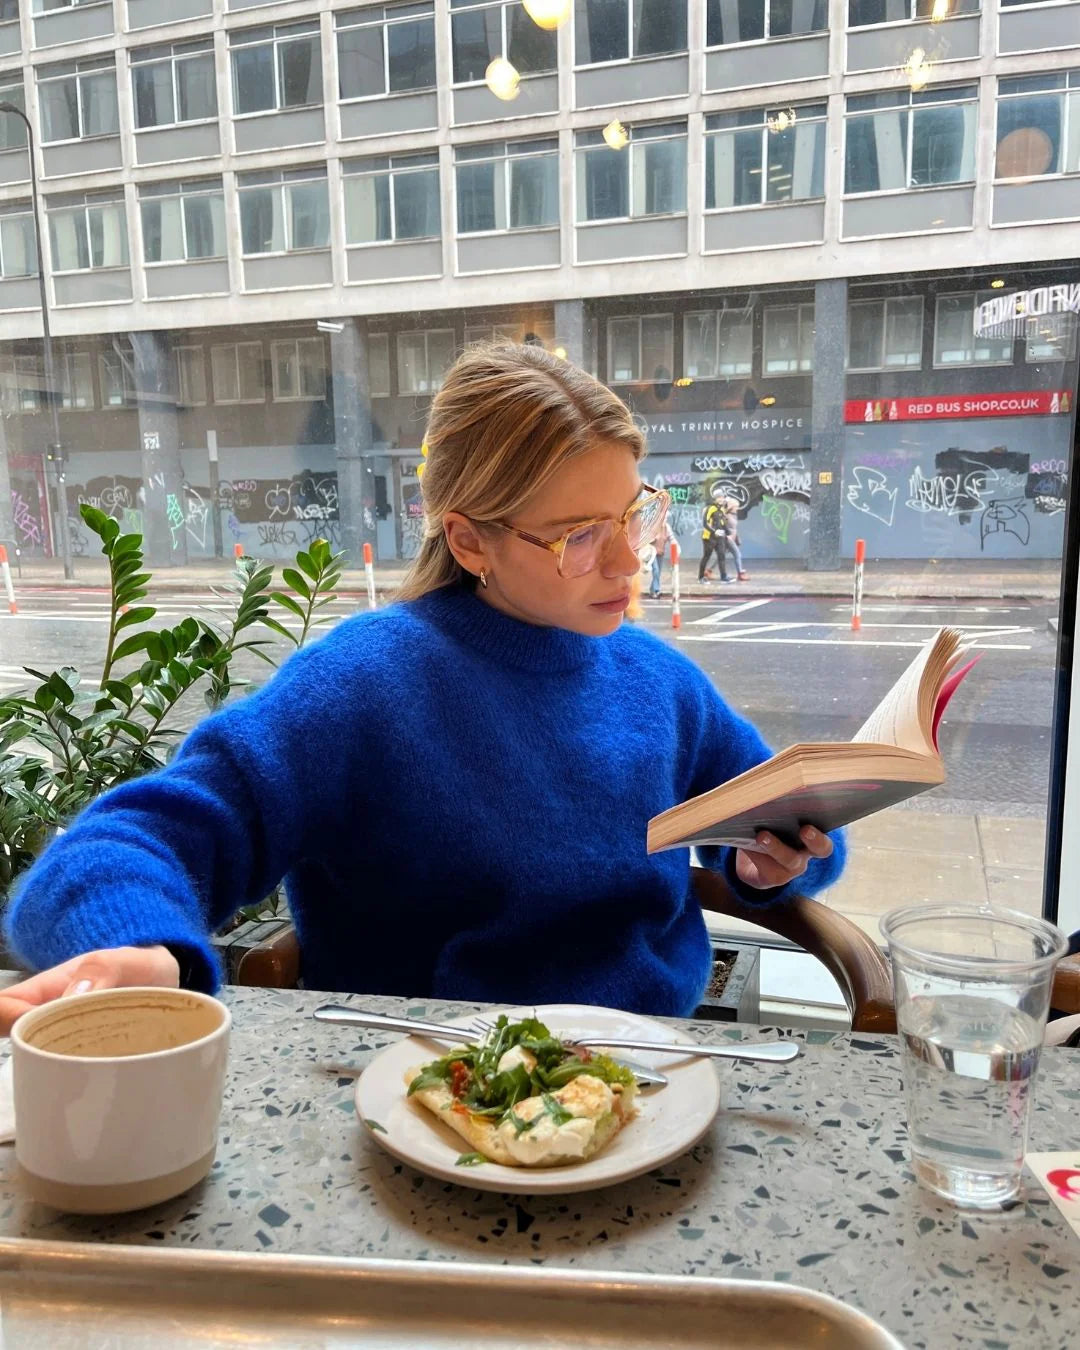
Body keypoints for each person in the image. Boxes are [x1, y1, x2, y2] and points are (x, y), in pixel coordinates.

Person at [0, 344, 845, 1032]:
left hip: (653, 1077)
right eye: (581, 536)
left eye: (636, 515)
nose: (629, 561)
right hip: (426, 1094)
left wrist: (769, 863)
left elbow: (797, 822)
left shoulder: (661, 682)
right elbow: (121, 845)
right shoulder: (365, 684)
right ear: (471, 542)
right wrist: (142, 950)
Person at [698, 489, 733, 585]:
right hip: (709, 537)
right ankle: (701, 577)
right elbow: (705, 523)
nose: (721, 499)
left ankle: (724, 577)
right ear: (715, 499)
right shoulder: (710, 508)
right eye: (719, 497)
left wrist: (728, 532)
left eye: (722, 497)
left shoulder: (722, 509)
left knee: (721, 556)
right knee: (706, 557)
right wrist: (714, 531)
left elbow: (722, 523)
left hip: (720, 537)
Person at [720, 496, 749, 582]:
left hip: (731, 538)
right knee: (737, 554)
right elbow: (723, 528)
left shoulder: (734, 516)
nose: (737, 508)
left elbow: (734, 529)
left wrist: (737, 537)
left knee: (722, 555)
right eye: (735, 506)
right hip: (728, 539)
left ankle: (708, 570)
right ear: (731, 507)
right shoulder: (726, 516)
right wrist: (727, 537)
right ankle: (740, 573)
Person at [650, 516, 675, 598]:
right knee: (656, 570)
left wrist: (676, 547)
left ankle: (652, 590)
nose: (664, 520)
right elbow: (647, 539)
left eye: (665, 518)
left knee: (658, 572)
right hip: (652, 552)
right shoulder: (653, 527)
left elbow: (672, 538)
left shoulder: (667, 528)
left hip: (661, 552)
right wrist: (654, 538)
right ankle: (656, 590)